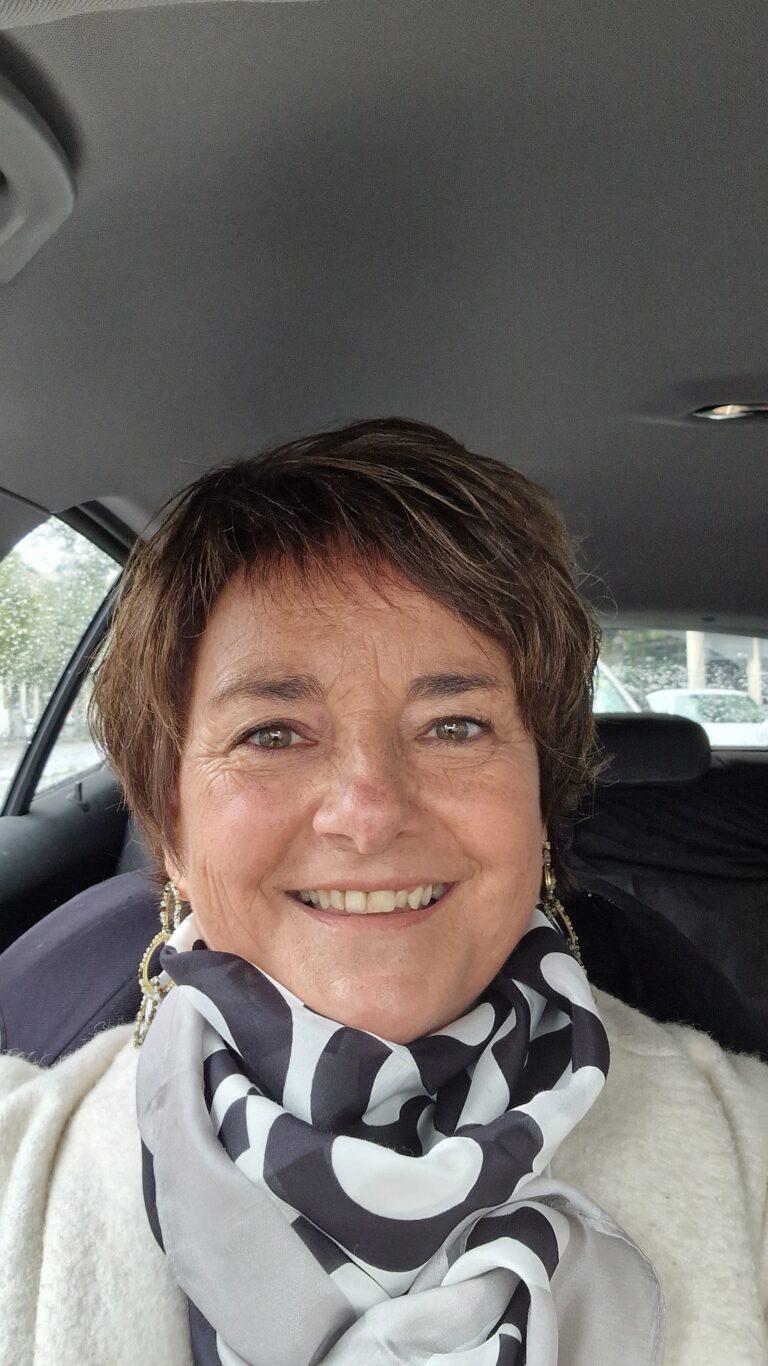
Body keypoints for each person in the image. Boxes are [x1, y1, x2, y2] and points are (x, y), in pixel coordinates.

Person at [0, 417, 766, 1366]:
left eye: (454, 726)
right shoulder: (19, 1172)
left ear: (542, 803)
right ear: (172, 827)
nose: (368, 813)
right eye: (272, 734)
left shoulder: (751, 1156)